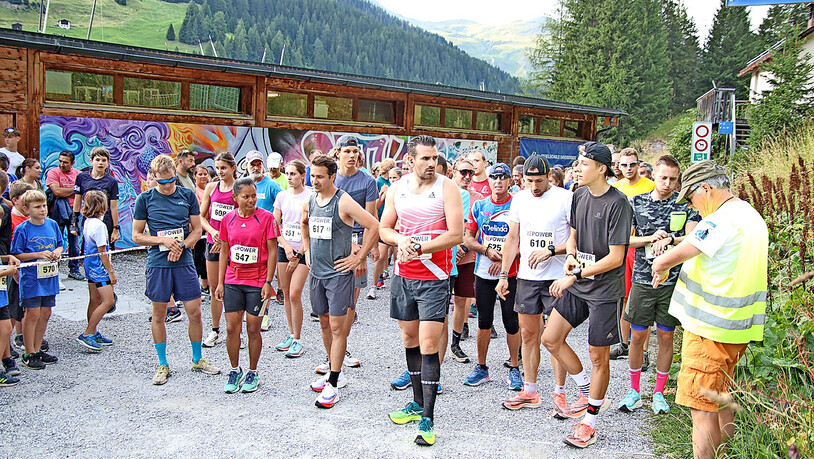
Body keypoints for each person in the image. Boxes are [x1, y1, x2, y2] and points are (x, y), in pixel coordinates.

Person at [652, 160, 767, 459]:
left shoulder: (720, 220)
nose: (693, 206)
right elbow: (699, 240)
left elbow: (676, 256)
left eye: (691, 198)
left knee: (700, 406)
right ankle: (724, 453)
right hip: (736, 328)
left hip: (709, 330)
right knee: (721, 397)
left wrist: (661, 266)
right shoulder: (750, 215)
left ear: (706, 188)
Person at [541, 141, 631, 449]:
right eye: (578, 165)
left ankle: (589, 421)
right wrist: (571, 255)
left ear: (601, 169)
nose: (577, 169)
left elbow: (616, 257)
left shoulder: (618, 203)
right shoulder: (578, 195)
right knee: (550, 338)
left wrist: (574, 274)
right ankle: (587, 392)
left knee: (598, 355)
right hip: (579, 281)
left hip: (604, 289)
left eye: (583, 164)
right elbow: (574, 235)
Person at [381, 135, 463, 446]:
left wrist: (419, 246)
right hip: (404, 275)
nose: (431, 163)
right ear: (411, 160)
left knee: (430, 344)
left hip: (435, 277)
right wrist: (400, 241)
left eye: (434, 158)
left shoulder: (447, 187)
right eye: (425, 158)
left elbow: (456, 234)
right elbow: (384, 227)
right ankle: (416, 403)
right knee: (409, 339)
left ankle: (428, 418)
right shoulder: (398, 187)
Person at [617, 154, 700, 415]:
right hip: (642, 279)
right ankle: (634, 391)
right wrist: (650, 238)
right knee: (637, 336)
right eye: (663, 177)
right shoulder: (635, 202)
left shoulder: (686, 206)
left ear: (679, 180)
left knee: (666, 336)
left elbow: (693, 239)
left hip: (672, 283)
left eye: (673, 179)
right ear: (653, 175)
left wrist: (671, 241)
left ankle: (659, 393)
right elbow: (623, 241)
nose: (667, 183)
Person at [132, 155, 220, 385]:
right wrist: (162, 242)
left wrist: (181, 245)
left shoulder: (187, 195)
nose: (167, 186)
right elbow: (136, 235)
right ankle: (163, 364)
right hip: (158, 262)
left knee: (195, 311)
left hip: (184, 260)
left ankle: (198, 358)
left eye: (171, 181)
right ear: (153, 178)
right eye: (162, 182)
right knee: (160, 314)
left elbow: (197, 229)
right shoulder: (145, 199)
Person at [496, 155, 572, 415]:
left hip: (556, 276)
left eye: (539, 181)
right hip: (528, 277)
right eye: (529, 181)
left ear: (549, 176)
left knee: (555, 337)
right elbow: (512, 238)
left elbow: (577, 238)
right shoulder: (520, 198)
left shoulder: (564, 198)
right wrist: (504, 274)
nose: (535, 186)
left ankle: (560, 392)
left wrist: (552, 250)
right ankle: (530, 389)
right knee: (528, 334)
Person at [302, 154, 379, 408]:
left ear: (332, 176)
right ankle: (335, 369)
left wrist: (359, 259)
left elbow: (373, 225)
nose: (314, 181)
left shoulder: (343, 201)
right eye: (312, 176)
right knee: (324, 323)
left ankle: (333, 384)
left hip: (339, 275)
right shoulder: (311, 199)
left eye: (319, 177)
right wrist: (307, 251)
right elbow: (304, 224)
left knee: (337, 327)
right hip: (317, 273)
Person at [215, 178, 279, 394]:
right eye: (246, 196)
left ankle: (253, 371)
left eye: (253, 196)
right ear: (235, 198)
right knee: (232, 328)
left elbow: (272, 252)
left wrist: (269, 282)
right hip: (233, 280)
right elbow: (225, 250)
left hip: (258, 281)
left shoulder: (267, 218)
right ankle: (235, 370)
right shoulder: (227, 219)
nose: (251, 200)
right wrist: (220, 282)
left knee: (253, 328)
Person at [462, 163, 521, 389]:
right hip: (484, 272)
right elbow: (469, 238)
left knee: (511, 321)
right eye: (493, 177)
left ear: (509, 181)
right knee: (484, 321)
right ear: (488, 180)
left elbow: (522, 241)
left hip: (511, 273)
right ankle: (481, 366)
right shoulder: (480, 206)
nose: (498, 181)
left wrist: (504, 260)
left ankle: (515, 367)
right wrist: (487, 252)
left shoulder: (517, 205)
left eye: (502, 177)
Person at [610, 147, 655, 364]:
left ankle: (644, 351)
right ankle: (624, 343)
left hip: (641, 248)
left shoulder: (650, 187)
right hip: (621, 247)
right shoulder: (615, 188)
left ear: (639, 165)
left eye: (632, 164)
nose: (628, 169)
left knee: (641, 299)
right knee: (623, 297)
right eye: (623, 165)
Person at [12, 190, 63, 370]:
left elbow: (60, 243)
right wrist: (37, 254)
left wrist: (57, 251)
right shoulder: (22, 229)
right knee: (32, 314)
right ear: (26, 209)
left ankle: (38, 346)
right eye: (37, 207)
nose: (42, 210)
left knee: (46, 313)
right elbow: (17, 253)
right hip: (32, 278)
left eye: (43, 206)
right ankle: (29, 352)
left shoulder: (52, 224)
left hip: (49, 277)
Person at [272, 160, 312, 358]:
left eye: (293, 174)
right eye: (287, 173)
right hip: (284, 249)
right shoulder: (281, 196)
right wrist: (286, 247)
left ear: (303, 175)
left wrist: (299, 253)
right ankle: (290, 333)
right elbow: (275, 225)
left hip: (304, 251)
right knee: (286, 292)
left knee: (296, 293)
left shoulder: (311, 195)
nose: (289, 177)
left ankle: (298, 339)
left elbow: (313, 227)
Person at [199, 152, 237, 348]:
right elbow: (201, 217)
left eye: (224, 168)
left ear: (233, 168)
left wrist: (225, 239)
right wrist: (214, 231)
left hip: (233, 245)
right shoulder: (211, 188)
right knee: (215, 288)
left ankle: (234, 331)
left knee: (232, 289)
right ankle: (215, 330)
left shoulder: (239, 189)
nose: (220, 171)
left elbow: (243, 218)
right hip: (212, 243)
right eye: (218, 168)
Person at [75, 190, 116, 352]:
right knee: (108, 301)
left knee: (94, 299)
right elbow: (102, 252)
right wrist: (111, 272)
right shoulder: (100, 225)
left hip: (89, 266)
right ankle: (88, 332)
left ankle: (94, 330)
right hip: (99, 269)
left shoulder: (88, 222)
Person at [244, 150, 282, 311]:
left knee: (267, 272)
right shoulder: (242, 184)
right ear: (246, 166)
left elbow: (282, 205)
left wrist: (275, 224)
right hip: (246, 236)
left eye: (259, 164)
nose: (256, 168)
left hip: (266, 236)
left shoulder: (272, 185)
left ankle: (263, 310)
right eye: (252, 165)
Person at [46, 150, 83, 280]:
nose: (61, 164)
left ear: (72, 163)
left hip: (75, 210)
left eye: (65, 162)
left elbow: (83, 191)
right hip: (58, 211)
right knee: (56, 240)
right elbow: (56, 191)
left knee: (75, 242)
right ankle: (53, 269)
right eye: (60, 161)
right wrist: (75, 190)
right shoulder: (53, 173)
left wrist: (67, 191)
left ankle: (74, 269)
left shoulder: (79, 174)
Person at [72, 147, 120, 246]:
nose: (100, 163)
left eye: (103, 160)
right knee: (88, 248)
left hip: (105, 219)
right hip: (87, 218)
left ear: (108, 163)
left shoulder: (112, 181)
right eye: (97, 160)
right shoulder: (81, 177)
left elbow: (114, 206)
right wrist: (74, 222)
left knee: (105, 248)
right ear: (91, 161)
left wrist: (115, 228)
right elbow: (77, 201)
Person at [371, 158, 397, 295]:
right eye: (391, 177)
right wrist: (382, 194)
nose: (392, 180)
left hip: (397, 225)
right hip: (383, 221)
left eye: (395, 178)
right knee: (381, 255)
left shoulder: (401, 187)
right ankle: (375, 284)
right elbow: (375, 205)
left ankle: (395, 281)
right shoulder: (379, 182)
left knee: (397, 254)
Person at [193, 165, 211, 298]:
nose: (203, 176)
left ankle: (208, 284)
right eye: (200, 174)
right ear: (194, 176)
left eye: (205, 174)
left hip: (211, 230)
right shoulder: (195, 192)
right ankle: (203, 285)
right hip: (200, 231)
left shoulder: (210, 190)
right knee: (199, 258)